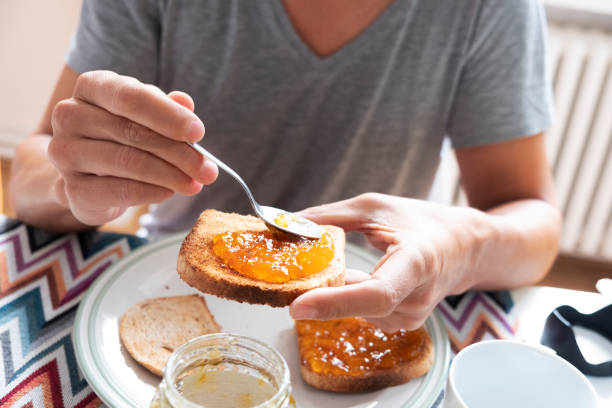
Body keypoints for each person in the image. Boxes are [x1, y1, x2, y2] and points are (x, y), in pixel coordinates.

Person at [9, 0, 561, 331]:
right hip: (173, 293)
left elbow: (533, 224)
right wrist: (73, 183)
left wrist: (456, 246)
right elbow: (32, 172)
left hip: (368, 308)